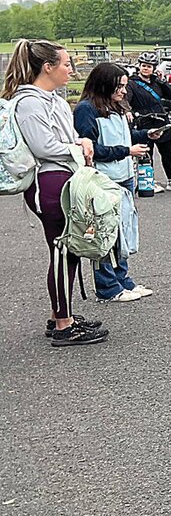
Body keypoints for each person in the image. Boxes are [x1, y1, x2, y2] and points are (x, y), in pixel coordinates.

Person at [4, 39, 108, 346]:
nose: (71, 69)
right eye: (66, 64)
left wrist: (78, 145)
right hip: (48, 183)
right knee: (64, 251)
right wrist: (79, 146)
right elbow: (44, 147)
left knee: (69, 250)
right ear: (47, 67)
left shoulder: (53, 100)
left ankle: (61, 314)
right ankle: (63, 323)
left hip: (65, 178)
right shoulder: (30, 103)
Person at [73, 62, 154, 304]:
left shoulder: (116, 106)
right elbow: (90, 149)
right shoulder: (86, 110)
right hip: (103, 180)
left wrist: (146, 136)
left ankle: (122, 279)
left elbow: (125, 138)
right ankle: (107, 287)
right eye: (118, 86)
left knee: (123, 232)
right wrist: (126, 151)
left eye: (124, 87)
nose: (122, 92)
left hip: (124, 176)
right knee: (104, 235)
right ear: (104, 84)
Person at [127, 52, 171, 191]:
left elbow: (169, 95)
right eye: (144, 66)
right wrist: (128, 111)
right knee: (147, 152)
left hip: (160, 119)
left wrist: (162, 81)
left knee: (167, 152)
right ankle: (148, 180)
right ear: (139, 66)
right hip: (144, 120)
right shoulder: (132, 83)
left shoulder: (157, 82)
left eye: (149, 66)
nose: (146, 69)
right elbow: (126, 99)